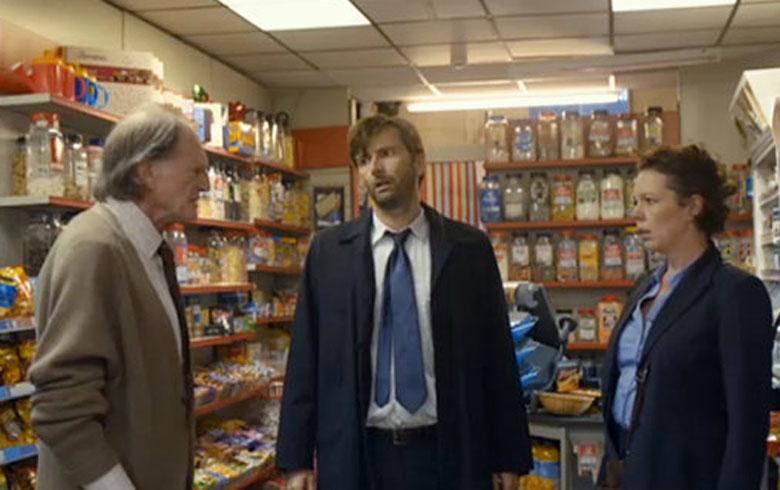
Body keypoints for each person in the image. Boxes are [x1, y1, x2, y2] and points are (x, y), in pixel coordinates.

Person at [277, 114, 532, 490]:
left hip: (448, 453)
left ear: (419, 160)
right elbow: (305, 359)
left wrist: (508, 454)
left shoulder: (468, 250)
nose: (375, 168)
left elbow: (496, 357)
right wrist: (296, 459)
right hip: (358, 456)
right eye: (364, 160)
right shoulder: (330, 254)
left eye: (387, 153)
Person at [28, 104, 209, 489]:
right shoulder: (94, 249)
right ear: (145, 171)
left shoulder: (149, 250)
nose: (206, 184)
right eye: (195, 170)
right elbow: (61, 407)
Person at [598, 145, 773, 489]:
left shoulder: (733, 294)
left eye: (650, 201)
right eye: (636, 202)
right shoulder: (644, 288)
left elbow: (747, 425)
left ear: (693, 206)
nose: (637, 214)